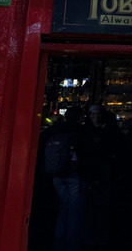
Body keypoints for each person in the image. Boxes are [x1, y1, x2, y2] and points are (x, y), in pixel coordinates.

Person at [41, 106, 89, 251]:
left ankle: (58, 243)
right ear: (80, 117)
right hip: (74, 174)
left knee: (63, 208)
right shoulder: (81, 131)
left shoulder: (55, 130)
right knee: (75, 212)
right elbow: (88, 155)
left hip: (56, 174)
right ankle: (71, 245)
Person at [84, 105, 120, 249]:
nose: (96, 117)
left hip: (99, 172)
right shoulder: (104, 131)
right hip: (96, 172)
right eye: (93, 114)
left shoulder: (94, 131)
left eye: (97, 114)